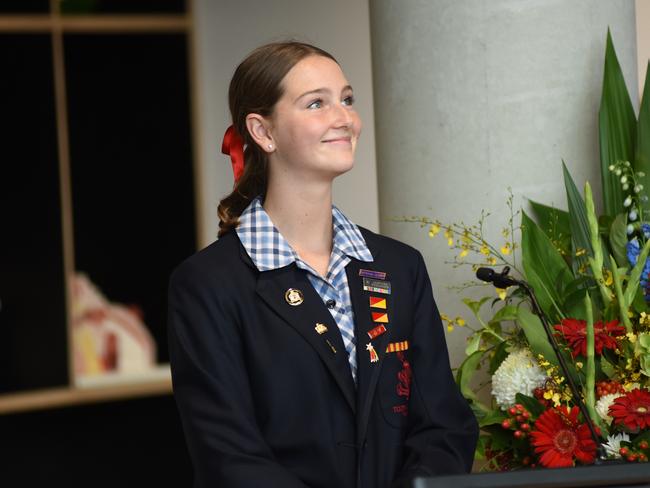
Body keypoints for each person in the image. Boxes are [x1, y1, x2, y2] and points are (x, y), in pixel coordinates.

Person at [168, 41, 478, 488]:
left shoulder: (398, 267)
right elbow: (228, 458)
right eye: (317, 103)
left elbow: (444, 426)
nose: (344, 119)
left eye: (347, 100)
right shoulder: (207, 284)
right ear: (263, 131)